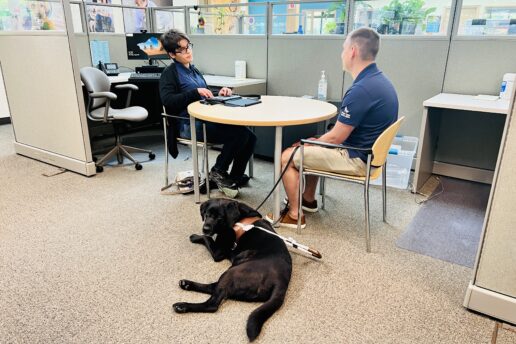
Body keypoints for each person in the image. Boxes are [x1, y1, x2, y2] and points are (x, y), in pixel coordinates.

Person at [267, 27, 399, 228]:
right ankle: (308, 199)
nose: (342, 53)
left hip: (356, 158)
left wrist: (309, 144)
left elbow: (335, 139)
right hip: (369, 155)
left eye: (343, 48)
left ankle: (294, 215)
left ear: (353, 51)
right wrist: (314, 143)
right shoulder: (381, 81)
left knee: (287, 156)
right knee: (314, 142)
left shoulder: (361, 89)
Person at [159, 29, 257, 198]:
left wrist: (220, 92)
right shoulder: (170, 74)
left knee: (250, 136)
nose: (187, 51)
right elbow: (168, 100)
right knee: (239, 134)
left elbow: (203, 92)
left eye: (188, 46)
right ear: (171, 55)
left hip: (204, 120)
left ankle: (232, 177)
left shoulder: (194, 70)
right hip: (187, 124)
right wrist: (195, 92)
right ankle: (218, 171)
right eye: (181, 49)